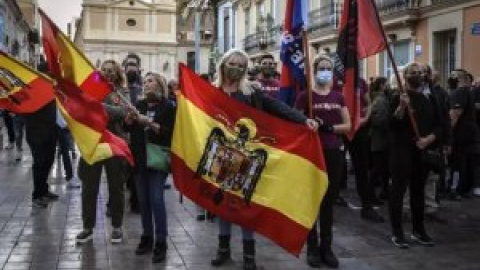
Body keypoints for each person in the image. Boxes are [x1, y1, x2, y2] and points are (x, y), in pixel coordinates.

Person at [210, 48, 318, 270]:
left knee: (244, 204)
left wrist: (303, 119)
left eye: (242, 66)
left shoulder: (251, 92)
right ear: (223, 64)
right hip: (220, 154)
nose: (237, 68)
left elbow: (276, 107)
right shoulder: (211, 91)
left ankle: (249, 255)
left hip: (246, 156)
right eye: (233, 63)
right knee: (223, 205)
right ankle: (223, 249)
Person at [295, 54, 351, 268]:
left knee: (328, 201)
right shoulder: (304, 96)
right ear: (315, 70)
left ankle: (327, 248)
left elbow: (347, 125)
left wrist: (329, 128)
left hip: (334, 152)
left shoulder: (338, 97)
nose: (325, 71)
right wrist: (307, 125)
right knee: (312, 201)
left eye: (328, 67)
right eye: (321, 67)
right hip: (312, 153)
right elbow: (295, 121)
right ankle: (312, 248)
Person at [76, 60, 131, 244]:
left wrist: (98, 107)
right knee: (88, 188)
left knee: (116, 187)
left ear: (117, 74)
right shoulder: (90, 91)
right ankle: (87, 227)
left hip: (114, 143)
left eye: (111, 71)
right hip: (93, 143)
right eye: (105, 70)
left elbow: (123, 112)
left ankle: (117, 227)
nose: (108, 73)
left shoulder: (121, 92)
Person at [388, 62, 442, 248]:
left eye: (420, 73)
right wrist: (402, 107)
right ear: (405, 76)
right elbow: (391, 124)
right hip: (401, 152)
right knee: (398, 192)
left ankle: (419, 230)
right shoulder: (398, 97)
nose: (418, 75)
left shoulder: (428, 100)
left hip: (421, 152)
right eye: (414, 73)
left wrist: (429, 139)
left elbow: (440, 125)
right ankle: (397, 233)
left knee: (418, 192)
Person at [125, 72, 175, 263]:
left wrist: (151, 124)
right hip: (139, 159)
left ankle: (161, 242)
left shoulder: (168, 107)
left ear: (160, 84)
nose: (146, 84)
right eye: (144, 82)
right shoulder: (139, 106)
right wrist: (129, 121)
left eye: (150, 81)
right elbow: (129, 129)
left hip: (158, 159)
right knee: (143, 201)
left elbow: (170, 133)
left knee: (156, 198)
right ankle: (147, 237)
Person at [449, 69, 480, 198]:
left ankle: (455, 189)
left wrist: (448, 132)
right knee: (465, 162)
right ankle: (462, 188)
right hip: (469, 134)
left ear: (458, 79)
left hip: (461, 134)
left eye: (452, 76)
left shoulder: (460, 93)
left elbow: (455, 114)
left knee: (457, 163)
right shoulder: (468, 92)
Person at [369, 77, 391, 201]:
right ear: (382, 85)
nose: (388, 86)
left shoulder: (380, 99)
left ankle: (384, 191)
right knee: (377, 168)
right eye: (387, 84)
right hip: (380, 140)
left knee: (382, 169)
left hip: (380, 139)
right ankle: (370, 194)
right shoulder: (380, 100)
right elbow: (379, 120)